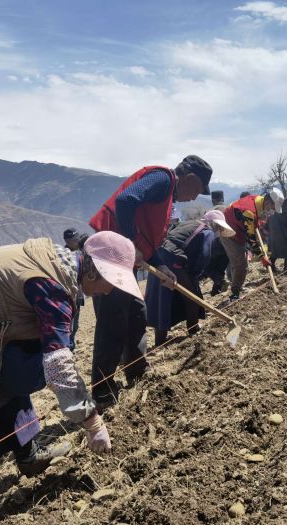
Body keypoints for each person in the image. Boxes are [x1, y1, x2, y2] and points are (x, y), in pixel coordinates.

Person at [0, 231, 139, 525]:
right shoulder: (52, 288)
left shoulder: (61, 267)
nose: (108, 292)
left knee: (23, 363)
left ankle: (28, 454)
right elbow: (58, 365)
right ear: (93, 271)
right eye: (111, 282)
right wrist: (92, 422)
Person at [88, 155, 212, 409]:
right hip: (110, 257)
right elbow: (126, 200)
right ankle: (102, 391)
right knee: (112, 321)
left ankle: (137, 372)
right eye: (197, 191)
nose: (193, 198)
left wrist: (162, 266)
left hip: (123, 261)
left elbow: (148, 241)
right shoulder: (163, 179)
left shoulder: (166, 199)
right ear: (189, 179)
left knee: (136, 313)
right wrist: (130, 243)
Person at [145, 210, 235, 345]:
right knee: (192, 296)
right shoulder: (207, 232)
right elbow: (204, 255)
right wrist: (195, 274)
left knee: (163, 299)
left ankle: (160, 340)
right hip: (173, 261)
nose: (220, 231)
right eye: (220, 228)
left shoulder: (190, 224)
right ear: (215, 224)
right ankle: (193, 329)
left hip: (158, 259)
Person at [222, 188, 284, 301]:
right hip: (228, 232)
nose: (272, 210)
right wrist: (261, 257)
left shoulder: (257, 200)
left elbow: (251, 225)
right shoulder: (249, 212)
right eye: (273, 207)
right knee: (241, 263)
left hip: (238, 229)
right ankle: (234, 293)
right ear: (268, 202)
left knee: (242, 263)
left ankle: (237, 287)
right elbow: (251, 240)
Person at [205, 191, 230, 295]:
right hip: (230, 241)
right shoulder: (229, 209)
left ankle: (221, 282)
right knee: (221, 265)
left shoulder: (211, 212)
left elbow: (207, 229)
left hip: (216, 241)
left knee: (208, 266)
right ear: (222, 199)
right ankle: (216, 290)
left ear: (213, 200)